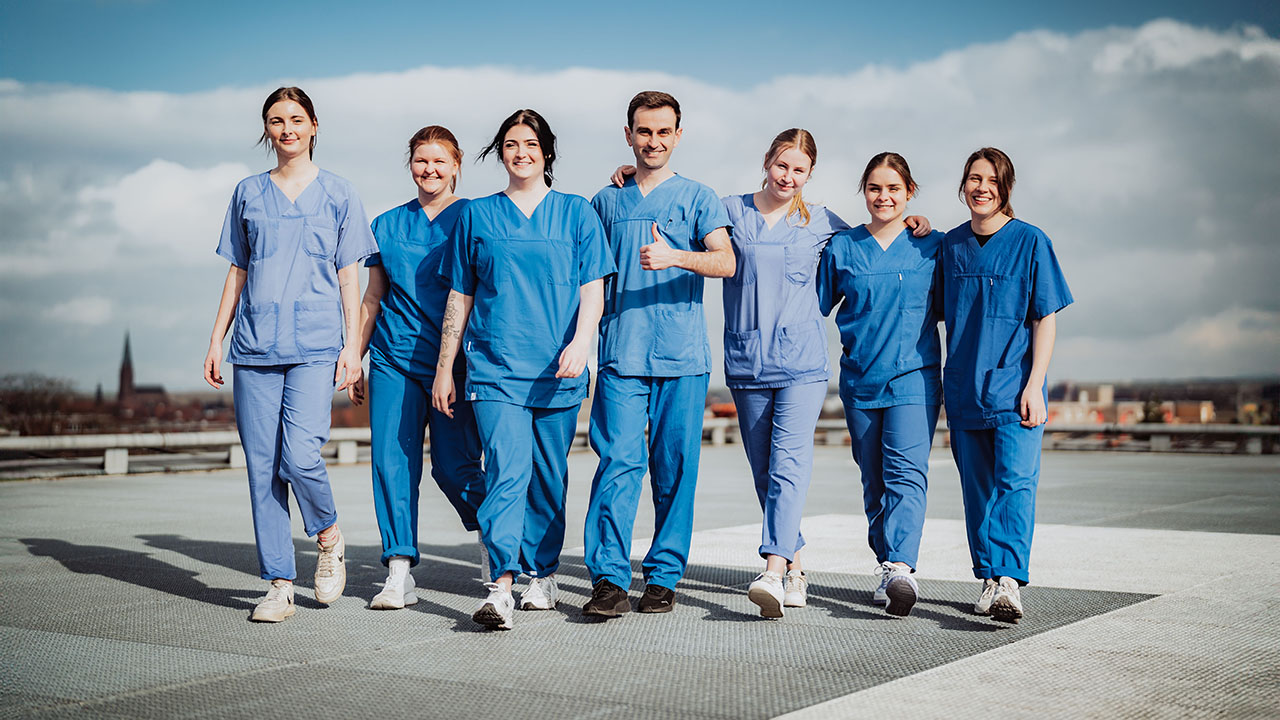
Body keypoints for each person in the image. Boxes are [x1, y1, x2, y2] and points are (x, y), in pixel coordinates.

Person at [434, 109, 614, 630]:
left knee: (548, 477)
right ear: (500, 152)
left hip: (559, 367)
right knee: (507, 472)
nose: (521, 152)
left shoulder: (576, 213)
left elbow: (592, 289)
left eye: (530, 143)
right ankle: (502, 586)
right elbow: (459, 295)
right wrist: (447, 366)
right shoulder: (477, 216)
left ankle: (543, 572)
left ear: (546, 152)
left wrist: (583, 342)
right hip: (493, 366)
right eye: (510, 143)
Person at [203, 86, 377, 622]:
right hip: (253, 344)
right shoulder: (248, 192)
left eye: (296, 119)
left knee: (299, 454)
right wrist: (216, 338)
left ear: (314, 126)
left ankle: (327, 534)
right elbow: (237, 270)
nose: (287, 129)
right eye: (276, 121)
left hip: (316, 343)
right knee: (262, 468)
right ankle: (279, 583)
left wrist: (352, 346)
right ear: (266, 129)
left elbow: (351, 275)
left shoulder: (340, 193)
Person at [581, 91, 734, 619]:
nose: (654, 141)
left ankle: (664, 576)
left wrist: (675, 256)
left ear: (678, 135)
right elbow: (588, 279)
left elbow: (726, 261)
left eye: (664, 132)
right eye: (644, 132)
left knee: (674, 469)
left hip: (682, 356)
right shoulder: (606, 201)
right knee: (618, 464)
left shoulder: (698, 198)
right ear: (629, 135)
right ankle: (607, 579)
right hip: (621, 354)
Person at [346, 126, 487, 610]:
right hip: (393, 359)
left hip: (457, 363)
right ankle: (399, 569)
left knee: (454, 467)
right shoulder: (385, 224)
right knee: (392, 461)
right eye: (421, 161)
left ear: (456, 165)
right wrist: (353, 354)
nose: (429, 170)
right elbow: (372, 296)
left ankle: (495, 538)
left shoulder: (475, 216)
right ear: (411, 164)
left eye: (439, 162)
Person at [940, 147, 1073, 623]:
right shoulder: (949, 247)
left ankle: (1010, 581)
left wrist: (1036, 384)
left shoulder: (1031, 241)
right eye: (974, 178)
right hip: (963, 388)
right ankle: (989, 578)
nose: (981, 188)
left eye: (991, 181)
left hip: (1016, 389)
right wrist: (914, 224)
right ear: (963, 186)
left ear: (1005, 189)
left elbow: (1046, 318)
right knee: (976, 489)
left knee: (1016, 483)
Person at [817, 152, 943, 618]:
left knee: (906, 474)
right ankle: (886, 565)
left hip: (915, 378)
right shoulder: (842, 248)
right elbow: (813, 305)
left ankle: (903, 567)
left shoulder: (933, 247)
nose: (883, 197)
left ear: (910, 192)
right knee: (874, 479)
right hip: (860, 381)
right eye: (874, 188)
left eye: (893, 188)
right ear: (863, 192)